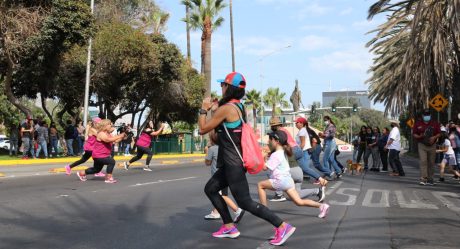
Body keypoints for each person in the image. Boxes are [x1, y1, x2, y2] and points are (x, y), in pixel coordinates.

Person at [199, 72, 295, 246]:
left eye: (223, 85)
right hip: (231, 162)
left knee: (245, 202)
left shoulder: (227, 109)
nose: (221, 87)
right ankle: (229, 225)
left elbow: (203, 129)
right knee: (211, 189)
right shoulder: (237, 107)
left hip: (233, 163)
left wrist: (203, 109)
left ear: (229, 88)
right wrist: (215, 109)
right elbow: (223, 129)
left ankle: (282, 226)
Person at [257, 130, 330, 218]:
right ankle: (322, 206)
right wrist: (265, 158)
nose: (268, 141)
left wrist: (261, 156)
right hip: (289, 181)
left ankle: (265, 211)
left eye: (270, 139)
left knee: (260, 185)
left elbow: (264, 168)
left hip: (280, 181)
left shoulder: (276, 154)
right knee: (299, 202)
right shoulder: (283, 153)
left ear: (276, 141)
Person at [269, 117, 327, 202]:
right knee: (304, 169)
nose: (271, 128)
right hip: (297, 150)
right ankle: (319, 186)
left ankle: (279, 194)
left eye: (272, 126)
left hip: (293, 151)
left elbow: (279, 146)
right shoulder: (284, 129)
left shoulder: (279, 133)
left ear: (274, 126)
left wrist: (270, 154)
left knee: (276, 168)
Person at [204, 131, 245, 223]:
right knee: (218, 195)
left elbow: (207, 162)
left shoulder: (212, 149)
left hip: (218, 178)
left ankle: (237, 210)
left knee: (221, 195)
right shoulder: (225, 148)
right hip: (227, 174)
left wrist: (207, 152)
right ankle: (215, 212)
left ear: (212, 139)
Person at [76, 119, 125, 183]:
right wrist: (119, 136)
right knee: (111, 161)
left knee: (96, 170)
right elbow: (107, 140)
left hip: (102, 155)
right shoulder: (101, 133)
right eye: (109, 124)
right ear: (105, 126)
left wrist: (122, 137)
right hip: (99, 155)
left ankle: (81, 173)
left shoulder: (108, 134)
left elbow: (115, 141)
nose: (111, 125)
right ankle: (108, 178)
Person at [412, 109, 440, 185]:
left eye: (428, 114)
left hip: (432, 145)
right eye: (425, 115)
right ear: (422, 116)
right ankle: (423, 179)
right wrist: (419, 136)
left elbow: (439, 133)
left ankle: (430, 179)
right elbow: (414, 134)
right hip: (422, 145)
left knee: (431, 162)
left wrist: (434, 137)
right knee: (423, 161)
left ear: (430, 115)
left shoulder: (435, 123)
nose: (426, 116)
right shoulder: (418, 124)